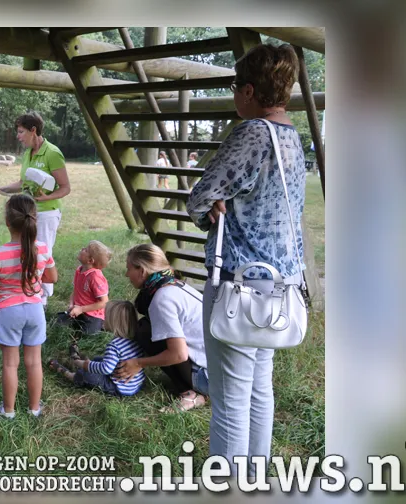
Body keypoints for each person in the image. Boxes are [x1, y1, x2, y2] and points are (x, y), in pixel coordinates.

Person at [186, 43, 306, 476]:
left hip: (239, 281)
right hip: (278, 282)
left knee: (230, 399)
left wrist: (212, 203)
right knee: (259, 387)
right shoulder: (292, 136)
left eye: (236, 87)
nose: (235, 94)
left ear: (250, 91)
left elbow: (200, 197)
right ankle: (255, 477)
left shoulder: (253, 132)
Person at [0, 194, 57, 418]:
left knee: (10, 364)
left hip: (8, 312)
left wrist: (2, 286)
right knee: (34, 362)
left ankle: (8, 411)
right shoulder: (42, 249)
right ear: (34, 219)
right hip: (35, 311)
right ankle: (34, 409)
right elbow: (52, 277)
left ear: (7, 222)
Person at [113, 244, 209, 412]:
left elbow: (179, 354)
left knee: (144, 331)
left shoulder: (162, 298)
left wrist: (138, 363)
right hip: (222, 372)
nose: (127, 274)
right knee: (150, 328)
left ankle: (191, 392)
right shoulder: (175, 284)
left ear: (142, 271)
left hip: (209, 379)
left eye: (129, 269)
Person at [0, 112, 71, 306]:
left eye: (20, 132)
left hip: (47, 212)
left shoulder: (52, 152)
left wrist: (46, 197)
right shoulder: (27, 153)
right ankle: (27, 288)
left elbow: (65, 188)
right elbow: (22, 182)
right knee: (26, 250)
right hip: (29, 210)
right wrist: (1, 189)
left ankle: (42, 297)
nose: (18, 136)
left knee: (42, 250)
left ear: (33, 130)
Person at [48, 301, 145, 397]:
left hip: (117, 387)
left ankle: (71, 373)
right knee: (99, 359)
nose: (103, 318)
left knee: (88, 376)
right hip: (134, 384)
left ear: (113, 323)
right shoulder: (137, 339)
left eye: (105, 316)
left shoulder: (115, 345)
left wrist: (84, 364)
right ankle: (83, 363)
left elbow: (106, 369)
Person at [56, 240, 112, 339]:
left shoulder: (95, 277)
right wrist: (71, 304)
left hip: (92, 314)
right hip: (77, 310)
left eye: (85, 250)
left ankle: (103, 323)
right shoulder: (79, 270)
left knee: (88, 335)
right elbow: (76, 290)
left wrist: (81, 309)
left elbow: (104, 302)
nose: (82, 249)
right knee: (58, 323)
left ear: (90, 260)